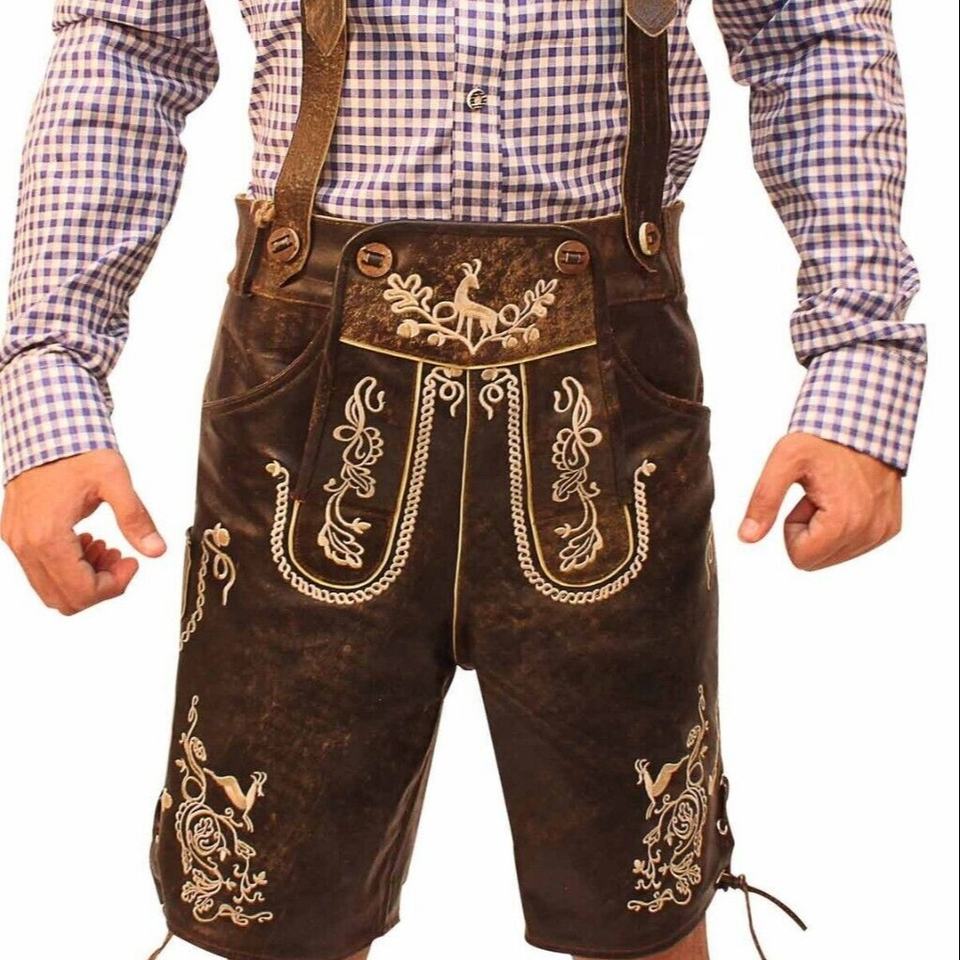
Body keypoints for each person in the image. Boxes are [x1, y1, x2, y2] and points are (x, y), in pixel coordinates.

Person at [0, 3, 923, 960]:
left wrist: (861, 358)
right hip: (304, 388)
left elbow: (812, 30)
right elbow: (127, 41)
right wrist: (51, 379)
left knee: (642, 904)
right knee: (268, 911)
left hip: (609, 381)